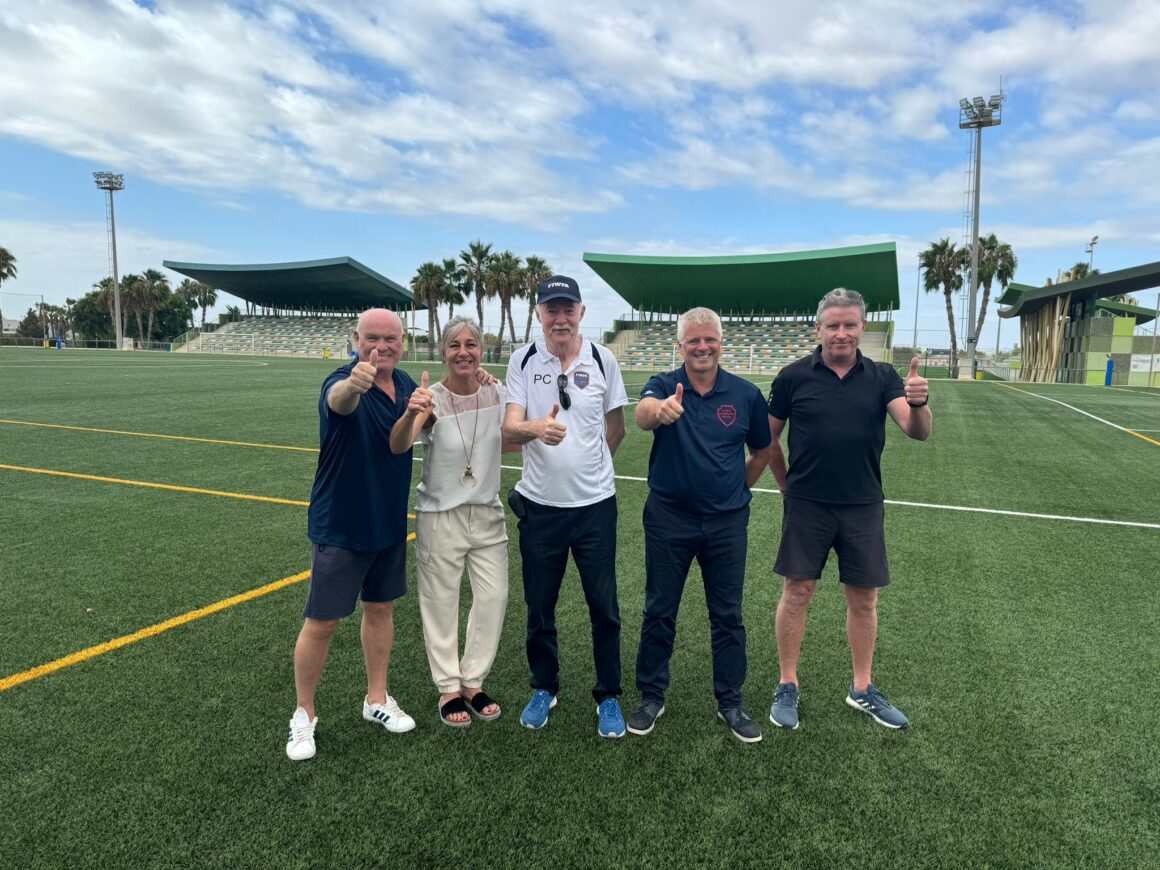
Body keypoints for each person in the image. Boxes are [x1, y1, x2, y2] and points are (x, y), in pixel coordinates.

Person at [766, 288, 931, 731]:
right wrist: (786, 487)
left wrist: (919, 403)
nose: (841, 333)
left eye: (850, 325)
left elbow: (917, 431)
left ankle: (862, 688)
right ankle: (787, 684)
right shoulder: (792, 377)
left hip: (862, 505)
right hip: (808, 507)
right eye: (833, 325)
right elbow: (766, 440)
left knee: (864, 599)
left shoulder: (882, 376)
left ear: (861, 329)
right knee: (797, 594)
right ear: (818, 329)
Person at [629, 307, 773, 743]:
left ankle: (730, 701)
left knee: (727, 615)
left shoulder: (746, 394)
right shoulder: (663, 384)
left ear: (721, 342)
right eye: (693, 340)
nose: (702, 347)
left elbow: (763, 451)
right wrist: (661, 411)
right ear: (681, 346)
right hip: (669, 519)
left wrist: (733, 491)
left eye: (709, 339)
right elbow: (642, 414)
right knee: (659, 610)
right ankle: (652, 695)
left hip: (727, 524)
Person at [286, 308, 418, 761]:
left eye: (391, 339)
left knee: (380, 610)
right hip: (340, 523)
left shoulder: (405, 385)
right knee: (322, 622)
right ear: (356, 339)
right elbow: (338, 401)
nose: (382, 347)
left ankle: (376, 699)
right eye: (372, 338)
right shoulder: (342, 379)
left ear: (404, 342)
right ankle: (304, 716)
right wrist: (353, 386)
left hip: (387, 523)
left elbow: (425, 424)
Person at [502, 274, 629, 738]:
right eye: (551, 309)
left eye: (568, 309)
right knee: (540, 605)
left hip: (596, 508)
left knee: (604, 606)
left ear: (581, 313)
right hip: (540, 508)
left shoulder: (602, 358)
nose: (560, 318)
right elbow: (509, 429)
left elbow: (616, 428)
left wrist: (591, 470)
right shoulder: (522, 360)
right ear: (539, 314)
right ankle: (544, 686)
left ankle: (609, 694)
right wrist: (537, 428)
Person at [389, 316, 515, 727]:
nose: (463, 352)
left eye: (471, 345)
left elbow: (513, 433)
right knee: (440, 602)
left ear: (482, 351)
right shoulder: (431, 398)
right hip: (440, 515)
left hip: (487, 513)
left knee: (493, 598)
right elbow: (399, 444)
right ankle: (448, 687)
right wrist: (413, 413)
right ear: (443, 352)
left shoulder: (498, 393)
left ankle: (473, 680)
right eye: (454, 345)